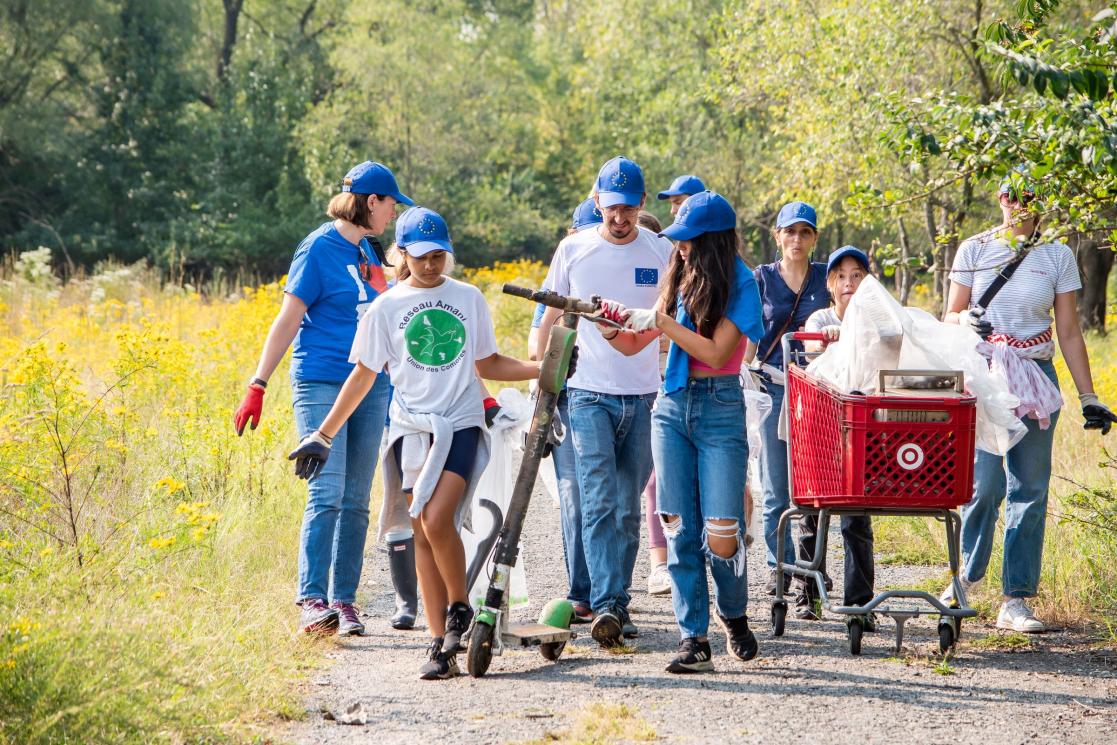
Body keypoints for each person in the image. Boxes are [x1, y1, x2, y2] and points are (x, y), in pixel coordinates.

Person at [288, 207, 544, 679]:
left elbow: (486, 362)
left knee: (434, 516)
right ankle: (439, 644)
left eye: (439, 256)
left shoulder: (467, 298)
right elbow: (363, 375)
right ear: (401, 254)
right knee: (421, 532)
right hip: (411, 429)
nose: (431, 265)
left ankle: (459, 607)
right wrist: (323, 433)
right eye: (422, 257)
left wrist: (539, 370)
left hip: (460, 424)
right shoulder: (386, 307)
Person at [233, 160, 408, 636]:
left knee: (356, 499)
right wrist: (258, 383)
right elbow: (288, 319)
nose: (393, 213)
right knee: (326, 492)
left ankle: (344, 602)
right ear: (371, 202)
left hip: (370, 385)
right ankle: (313, 600)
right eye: (390, 204)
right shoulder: (317, 248)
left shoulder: (370, 251)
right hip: (322, 380)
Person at [942, 173, 1117, 632]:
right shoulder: (974, 250)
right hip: (985, 375)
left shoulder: (1058, 255)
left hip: (1035, 376)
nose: (1021, 205)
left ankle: (1016, 599)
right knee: (981, 486)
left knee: (1029, 489)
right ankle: (965, 578)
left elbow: (1070, 332)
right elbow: (950, 314)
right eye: (1013, 196)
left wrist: (1089, 396)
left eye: (1031, 197)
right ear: (1000, 199)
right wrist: (967, 322)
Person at [599, 191, 765, 673]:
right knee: (677, 528)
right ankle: (693, 639)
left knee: (721, 532)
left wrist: (664, 322)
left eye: (688, 240)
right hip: (670, 407)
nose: (681, 247)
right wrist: (607, 324)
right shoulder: (679, 271)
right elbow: (634, 346)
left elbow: (715, 354)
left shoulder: (743, 282)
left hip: (720, 408)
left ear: (711, 239)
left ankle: (733, 615)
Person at [537, 156, 671, 647]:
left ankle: (617, 598)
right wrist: (543, 382)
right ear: (597, 202)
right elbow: (549, 320)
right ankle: (609, 604)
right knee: (597, 499)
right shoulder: (573, 250)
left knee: (627, 506)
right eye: (611, 208)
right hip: (588, 393)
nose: (620, 218)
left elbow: (672, 314)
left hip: (642, 395)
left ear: (640, 204)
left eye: (629, 209)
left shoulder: (661, 250)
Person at [744, 201, 831, 614]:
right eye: (789, 232)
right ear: (777, 236)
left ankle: (808, 575)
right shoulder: (761, 279)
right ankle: (781, 571)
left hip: (817, 391)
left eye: (805, 232)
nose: (797, 239)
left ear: (814, 237)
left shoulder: (826, 277)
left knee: (814, 487)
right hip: (774, 388)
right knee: (777, 489)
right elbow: (747, 336)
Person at [527, 196, 603, 624]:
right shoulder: (558, 281)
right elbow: (538, 349)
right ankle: (582, 591)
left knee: (608, 497)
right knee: (574, 494)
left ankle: (608, 589)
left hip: (612, 395)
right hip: (570, 397)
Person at [798, 245, 877, 624]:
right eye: (841, 276)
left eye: (856, 276)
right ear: (830, 284)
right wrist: (831, 336)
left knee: (856, 515)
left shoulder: (876, 320)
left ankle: (860, 602)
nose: (849, 283)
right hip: (822, 422)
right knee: (814, 509)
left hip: (860, 427)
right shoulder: (820, 318)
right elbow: (812, 350)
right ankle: (807, 592)